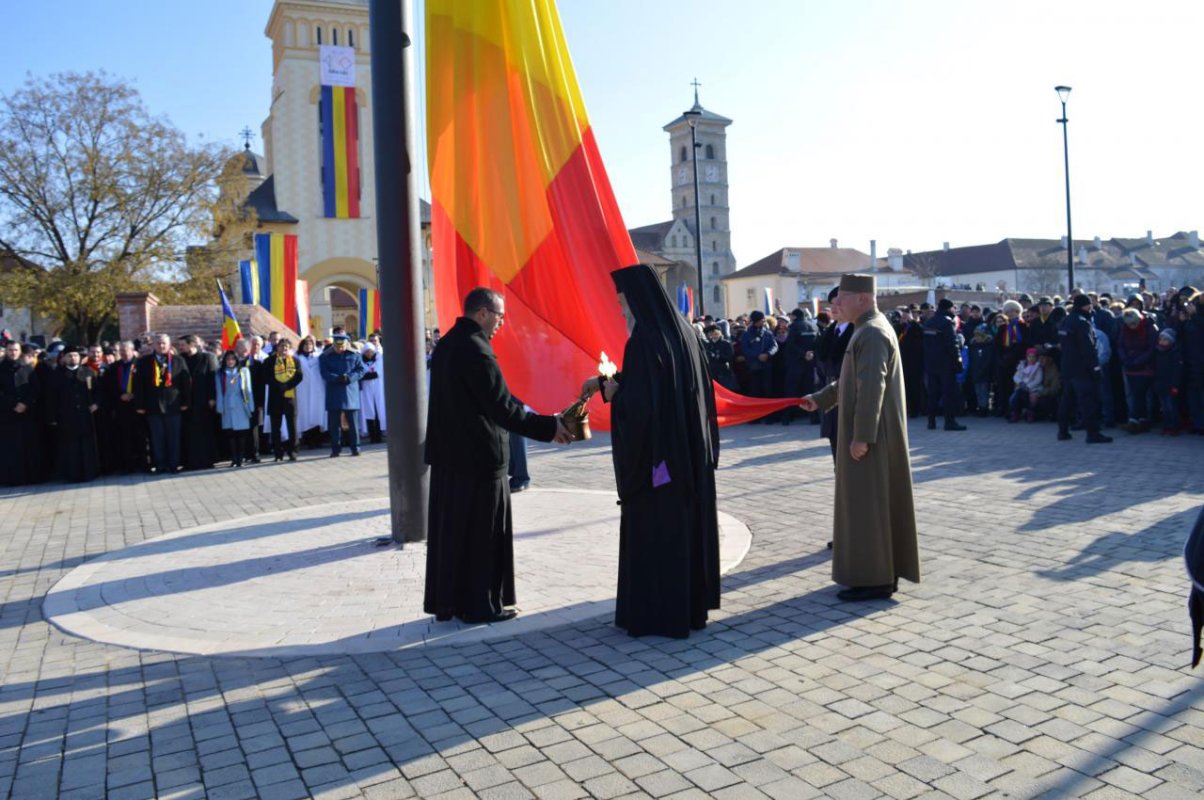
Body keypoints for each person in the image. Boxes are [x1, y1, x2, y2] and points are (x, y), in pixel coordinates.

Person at [579, 264, 721, 638]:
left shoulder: (643, 338)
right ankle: (688, 609)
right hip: (686, 457)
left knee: (658, 536)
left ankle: (657, 615)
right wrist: (606, 381)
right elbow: (662, 384)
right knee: (682, 534)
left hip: (659, 463)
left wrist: (614, 395)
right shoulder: (683, 331)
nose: (624, 312)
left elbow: (641, 405)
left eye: (625, 304)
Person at [424, 287, 571, 625]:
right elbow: (504, 410)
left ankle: (454, 602)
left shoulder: (447, 345)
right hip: (478, 459)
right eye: (500, 316)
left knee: (455, 534)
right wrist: (552, 428)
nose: (502, 323)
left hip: (450, 458)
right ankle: (481, 605)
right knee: (482, 535)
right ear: (482, 313)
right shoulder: (478, 351)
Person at [801, 274, 919, 601]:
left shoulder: (872, 332)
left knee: (868, 506)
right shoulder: (867, 329)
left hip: (874, 437)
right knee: (868, 504)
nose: (835, 304)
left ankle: (874, 580)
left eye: (843, 298)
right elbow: (850, 381)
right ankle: (878, 574)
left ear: (863, 299)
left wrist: (861, 437)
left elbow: (871, 389)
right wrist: (822, 398)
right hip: (872, 433)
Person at [1057, 294, 1112, 444]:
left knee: (1067, 401)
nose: (1091, 308)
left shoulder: (1066, 320)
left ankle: (1062, 431)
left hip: (1067, 367)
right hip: (1082, 369)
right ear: (1085, 306)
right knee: (1088, 401)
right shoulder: (1083, 323)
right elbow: (1088, 348)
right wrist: (1095, 368)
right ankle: (1093, 433)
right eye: (1089, 305)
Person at [135, 333, 191, 474]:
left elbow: (186, 383)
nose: (161, 346)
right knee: (156, 438)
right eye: (158, 343)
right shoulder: (144, 362)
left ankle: (174, 464)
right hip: (152, 406)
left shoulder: (178, 360)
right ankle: (160, 465)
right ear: (153, 345)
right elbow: (139, 385)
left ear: (169, 345)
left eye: (164, 343)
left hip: (174, 405)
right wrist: (140, 405)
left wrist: (186, 401)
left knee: (174, 437)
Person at [47, 347, 101, 483]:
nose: (73, 358)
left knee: (86, 445)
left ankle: (89, 473)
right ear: (64, 358)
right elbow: (51, 398)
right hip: (66, 416)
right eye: (70, 356)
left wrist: (96, 403)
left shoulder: (88, 372)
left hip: (85, 415)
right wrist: (53, 417)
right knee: (70, 446)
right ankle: (73, 474)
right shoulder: (56, 375)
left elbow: (98, 391)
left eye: (75, 355)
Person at [816, 286, 855, 457]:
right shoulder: (829, 332)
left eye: (837, 304)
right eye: (831, 304)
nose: (834, 308)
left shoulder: (857, 331)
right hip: (830, 396)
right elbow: (821, 363)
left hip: (849, 396)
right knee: (836, 449)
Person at [0, 339, 40, 486]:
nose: (13, 352)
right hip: (7, 415)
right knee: (11, 448)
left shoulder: (27, 368)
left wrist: (25, 403)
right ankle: (12, 479)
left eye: (16, 350)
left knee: (28, 446)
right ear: (6, 351)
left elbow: (35, 389)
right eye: (10, 350)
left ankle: (32, 476)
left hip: (26, 414)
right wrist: (13, 404)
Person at [103, 341, 146, 474]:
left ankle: (143, 463)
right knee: (125, 437)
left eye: (125, 350)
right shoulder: (114, 367)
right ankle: (128, 465)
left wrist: (134, 394)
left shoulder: (141, 364)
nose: (123, 353)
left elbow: (145, 384)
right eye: (120, 351)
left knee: (140, 436)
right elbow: (109, 387)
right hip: (121, 406)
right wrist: (120, 395)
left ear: (132, 350)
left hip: (138, 405)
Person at [319, 333, 365, 457]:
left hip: (350, 392)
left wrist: (350, 378)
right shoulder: (325, 356)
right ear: (333, 345)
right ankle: (335, 449)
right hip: (333, 391)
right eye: (337, 347)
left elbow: (361, 370)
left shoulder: (355, 354)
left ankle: (356, 448)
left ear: (347, 344)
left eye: (342, 346)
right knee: (334, 424)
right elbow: (324, 372)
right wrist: (336, 378)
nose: (339, 349)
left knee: (353, 424)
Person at [923, 298, 966, 431]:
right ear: (949, 308)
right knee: (948, 393)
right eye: (954, 308)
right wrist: (958, 361)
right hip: (946, 363)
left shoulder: (929, 322)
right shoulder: (947, 323)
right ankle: (949, 421)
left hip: (931, 363)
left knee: (933, 393)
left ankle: (931, 421)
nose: (955, 310)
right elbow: (952, 344)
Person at [178, 335, 218, 470]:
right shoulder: (180, 359)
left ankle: (207, 461)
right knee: (188, 433)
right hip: (186, 403)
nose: (180, 347)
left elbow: (213, 378)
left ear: (192, 344)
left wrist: (212, 397)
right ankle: (189, 462)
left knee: (205, 432)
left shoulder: (208, 358)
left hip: (204, 401)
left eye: (183, 345)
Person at [213, 350, 255, 467]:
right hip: (227, 404)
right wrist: (220, 407)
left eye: (233, 359)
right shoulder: (220, 373)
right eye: (228, 359)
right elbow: (219, 391)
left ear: (236, 360)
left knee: (241, 433)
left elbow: (248, 389)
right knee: (230, 433)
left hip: (241, 404)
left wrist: (251, 406)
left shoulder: (243, 371)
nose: (230, 361)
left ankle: (241, 458)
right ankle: (234, 458)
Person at [264, 338, 304, 461]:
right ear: (277, 347)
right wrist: (278, 386)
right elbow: (266, 377)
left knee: (292, 426)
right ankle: (278, 453)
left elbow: (299, 376)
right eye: (282, 346)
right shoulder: (269, 361)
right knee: (276, 427)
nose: (284, 349)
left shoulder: (295, 361)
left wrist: (286, 386)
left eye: (286, 347)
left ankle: (293, 451)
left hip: (290, 397)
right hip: (275, 397)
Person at [739, 310, 778, 417]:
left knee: (768, 391)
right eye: (762, 320)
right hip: (754, 366)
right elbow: (745, 349)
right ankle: (755, 415)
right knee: (755, 391)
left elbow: (774, 346)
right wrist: (758, 355)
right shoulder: (747, 334)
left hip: (767, 365)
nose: (764, 321)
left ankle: (769, 415)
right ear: (756, 321)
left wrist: (768, 354)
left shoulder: (768, 333)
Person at [294, 335, 327, 448]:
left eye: (310, 345)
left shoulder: (319, 356)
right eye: (305, 345)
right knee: (305, 414)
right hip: (303, 389)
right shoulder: (297, 357)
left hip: (317, 388)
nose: (308, 347)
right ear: (301, 346)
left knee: (317, 413)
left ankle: (318, 440)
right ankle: (308, 440)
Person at [358, 342, 386, 444]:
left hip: (378, 389)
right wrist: (367, 375)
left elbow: (376, 374)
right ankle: (372, 436)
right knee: (369, 412)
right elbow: (361, 374)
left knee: (379, 411)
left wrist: (367, 375)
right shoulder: (361, 361)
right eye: (367, 352)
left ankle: (378, 435)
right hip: (366, 390)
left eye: (371, 352)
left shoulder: (379, 359)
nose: (369, 354)